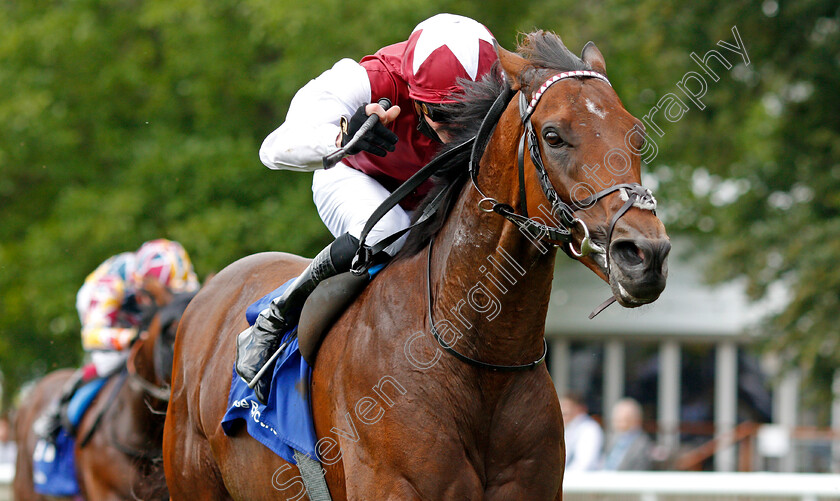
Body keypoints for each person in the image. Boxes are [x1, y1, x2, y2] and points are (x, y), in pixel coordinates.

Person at [236, 13, 499, 403]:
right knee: (389, 231)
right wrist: (344, 136)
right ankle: (275, 317)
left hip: (432, 199)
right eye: (444, 115)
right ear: (412, 91)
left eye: (473, 116)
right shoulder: (369, 79)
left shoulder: (506, 84)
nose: (457, 132)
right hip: (354, 178)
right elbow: (273, 149)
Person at [34, 239, 200, 442]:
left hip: (135, 309)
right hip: (104, 312)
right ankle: (57, 408)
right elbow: (92, 337)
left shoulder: (182, 279)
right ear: (141, 286)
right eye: (154, 296)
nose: (161, 301)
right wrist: (133, 338)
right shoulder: (110, 285)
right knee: (111, 361)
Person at [600, 397, 653, 471]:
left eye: (620, 419)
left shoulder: (642, 444)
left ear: (634, 419)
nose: (615, 423)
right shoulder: (614, 438)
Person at [560, 392, 604, 472]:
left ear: (579, 408)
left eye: (567, 407)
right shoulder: (568, 429)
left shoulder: (590, 429)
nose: (563, 411)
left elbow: (585, 464)